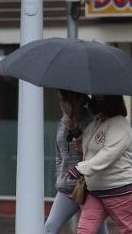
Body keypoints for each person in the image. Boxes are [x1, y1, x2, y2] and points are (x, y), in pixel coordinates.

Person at [68, 95, 132, 234]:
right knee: (84, 231)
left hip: (120, 190)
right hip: (96, 191)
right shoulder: (98, 121)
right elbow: (90, 146)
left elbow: (107, 154)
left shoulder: (120, 126)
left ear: (110, 102)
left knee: (129, 231)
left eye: (98, 98)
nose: (93, 101)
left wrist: (80, 169)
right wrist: (75, 131)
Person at [44, 90, 108, 234]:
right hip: (67, 188)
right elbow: (59, 154)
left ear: (73, 101)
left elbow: (100, 154)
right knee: (50, 227)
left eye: (63, 100)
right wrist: (61, 175)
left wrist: (78, 135)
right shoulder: (62, 122)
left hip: (89, 188)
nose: (61, 104)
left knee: (97, 231)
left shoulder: (92, 121)